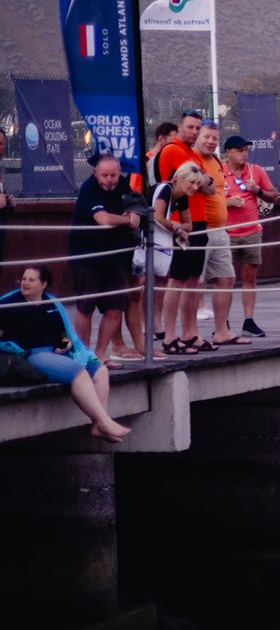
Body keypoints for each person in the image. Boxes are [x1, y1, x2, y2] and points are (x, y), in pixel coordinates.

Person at [0, 265, 129, 440]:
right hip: (31, 354)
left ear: (43, 284)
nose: (26, 283)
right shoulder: (9, 303)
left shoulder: (52, 303)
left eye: (31, 279)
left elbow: (64, 333)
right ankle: (104, 421)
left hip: (57, 351)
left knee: (100, 370)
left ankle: (98, 424)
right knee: (79, 373)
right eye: (24, 279)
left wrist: (66, 343)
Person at [69, 153, 143, 363]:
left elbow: (137, 205)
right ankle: (84, 355)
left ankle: (100, 353)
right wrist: (128, 219)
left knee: (114, 307)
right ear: (95, 173)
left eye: (114, 175)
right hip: (87, 256)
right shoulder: (89, 188)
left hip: (114, 256)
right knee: (86, 307)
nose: (110, 179)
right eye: (105, 175)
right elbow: (103, 219)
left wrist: (135, 214)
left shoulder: (122, 185)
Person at [190, 124, 243, 344]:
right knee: (194, 283)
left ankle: (221, 331)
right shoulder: (191, 159)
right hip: (200, 228)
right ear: (197, 137)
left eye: (215, 138)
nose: (211, 141)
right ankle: (191, 332)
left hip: (220, 229)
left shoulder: (216, 161)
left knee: (227, 278)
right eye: (207, 137)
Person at [220, 137, 276, 337]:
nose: (244, 153)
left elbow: (272, 195)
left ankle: (249, 321)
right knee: (225, 279)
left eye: (246, 150)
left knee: (249, 277)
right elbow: (208, 197)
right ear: (228, 152)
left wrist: (258, 190)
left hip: (251, 231)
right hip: (226, 232)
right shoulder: (218, 171)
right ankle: (222, 324)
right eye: (239, 150)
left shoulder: (255, 171)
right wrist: (226, 203)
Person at [155, 163, 213, 353]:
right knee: (175, 281)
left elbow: (187, 224)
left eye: (197, 184)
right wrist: (176, 227)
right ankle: (169, 336)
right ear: (179, 178)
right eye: (191, 183)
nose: (194, 188)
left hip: (170, 239)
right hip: (151, 243)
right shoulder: (165, 189)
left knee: (191, 280)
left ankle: (188, 333)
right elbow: (157, 217)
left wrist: (177, 227)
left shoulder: (182, 197)